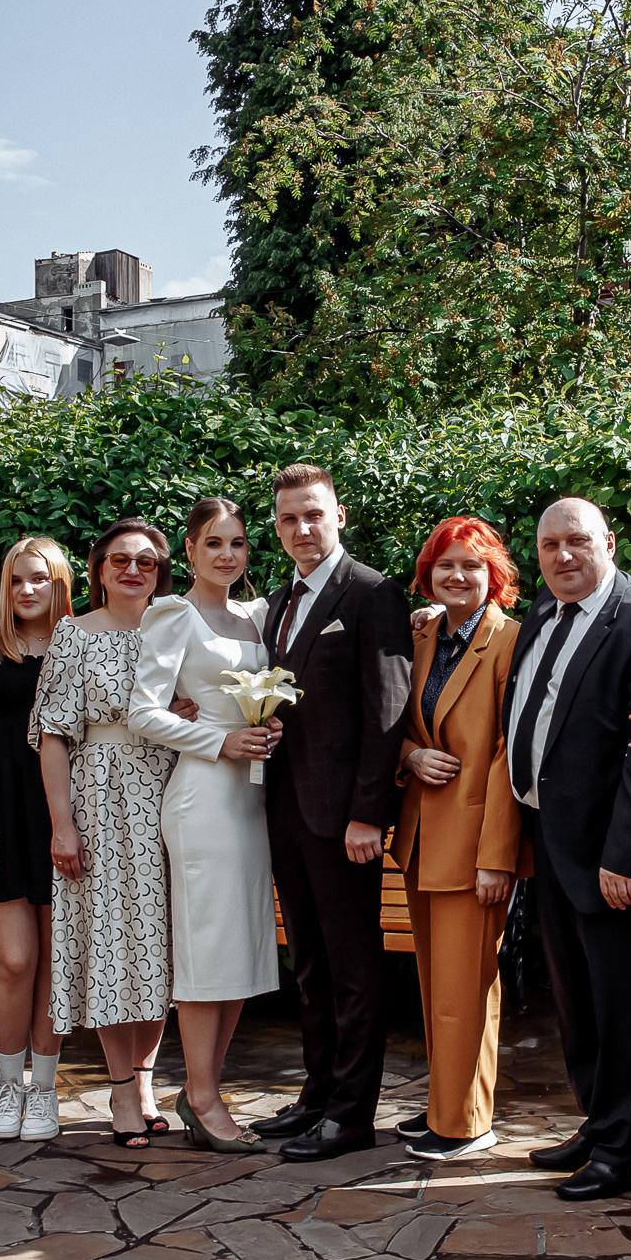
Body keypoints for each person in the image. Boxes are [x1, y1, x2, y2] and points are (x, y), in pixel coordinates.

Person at [506, 497, 631, 1202]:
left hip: (609, 857)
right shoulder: (541, 613)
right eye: (550, 544)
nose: (562, 556)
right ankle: (597, 1120)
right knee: (575, 999)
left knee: (619, 1004)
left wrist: (624, 854)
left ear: (608, 542)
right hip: (549, 841)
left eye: (577, 541)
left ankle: (623, 1147)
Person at [251, 464, 414, 1162]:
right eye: (289, 519)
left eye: (313, 514)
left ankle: (352, 1114)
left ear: (339, 514)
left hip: (344, 817)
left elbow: (388, 710)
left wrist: (369, 814)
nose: (302, 529)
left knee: (353, 968)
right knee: (310, 965)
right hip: (286, 809)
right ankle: (317, 1095)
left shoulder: (372, 592)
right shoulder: (280, 599)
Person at [130, 498, 282, 1153]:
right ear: (188, 551)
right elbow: (142, 710)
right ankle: (200, 1094)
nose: (227, 554)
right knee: (207, 946)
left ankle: (206, 1087)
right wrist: (216, 740)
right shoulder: (174, 614)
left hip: (252, 799)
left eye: (238, 543)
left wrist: (267, 724)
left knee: (243, 948)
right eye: (213, 543)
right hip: (202, 800)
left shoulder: (255, 614)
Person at [34, 518, 179, 1147]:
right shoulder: (74, 634)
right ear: (97, 570)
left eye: (146, 562)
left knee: (162, 948)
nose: (132, 571)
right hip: (101, 798)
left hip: (175, 796)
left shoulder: (179, 628)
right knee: (113, 947)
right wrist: (62, 824)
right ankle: (123, 1089)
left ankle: (146, 1081)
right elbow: (52, 735)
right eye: (119, 560)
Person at [388, 517, 527, 1162]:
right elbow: (400, 724)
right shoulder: (420, 637)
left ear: (494, 575)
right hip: (420, 838)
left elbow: (507, 754)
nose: (458, 576)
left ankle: (467, 1123)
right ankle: (444, 1108)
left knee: (468, 987)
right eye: (445, 564)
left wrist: (498, 857)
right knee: (436, 986)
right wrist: (411, 758)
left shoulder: (509, 643)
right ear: (428, 573)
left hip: (474, 847)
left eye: (472, 565)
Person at [0, 535, 73, 1144]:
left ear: (60, 583)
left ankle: (45, 1091)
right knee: (15, 959)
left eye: (40, 579)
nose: (28, 590)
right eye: (18, 580)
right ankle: (8, 1084)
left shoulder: (81, 644)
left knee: (55, 960)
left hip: (63, 820)